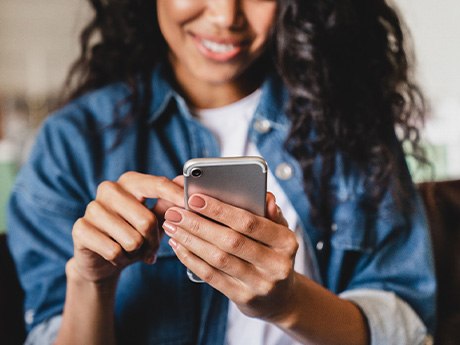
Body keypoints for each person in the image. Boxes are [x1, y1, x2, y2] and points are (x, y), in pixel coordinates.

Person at [8, 1, 436, 344]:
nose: (225, 15)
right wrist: (90, 281)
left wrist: (287, 303)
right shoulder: (73, 142)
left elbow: (406, 328)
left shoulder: (351, 124)